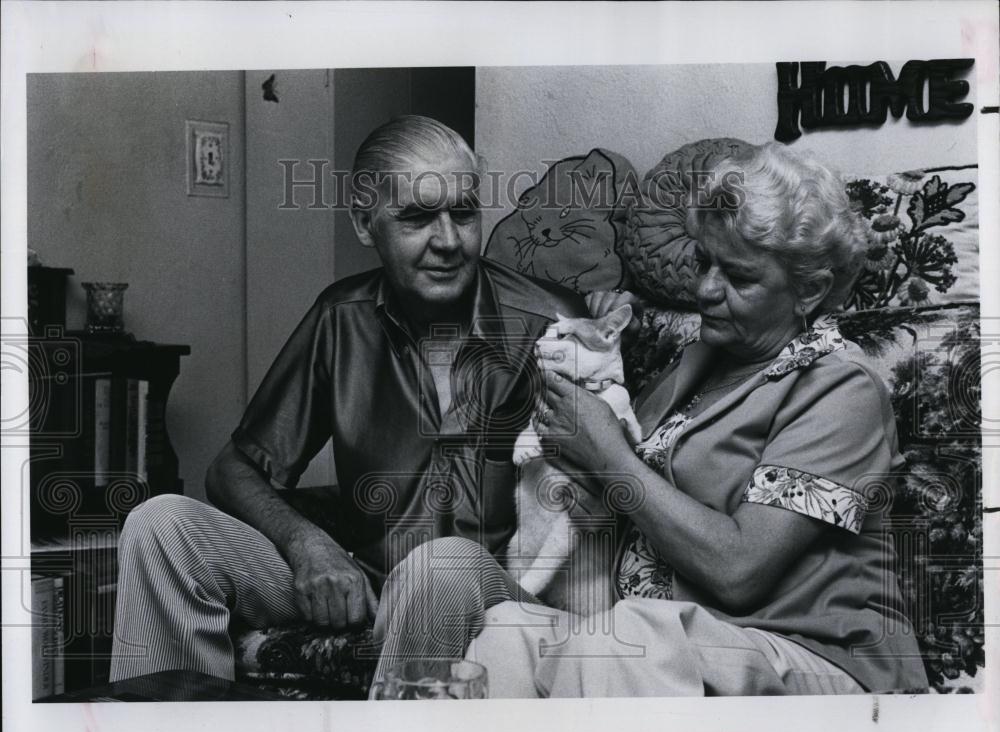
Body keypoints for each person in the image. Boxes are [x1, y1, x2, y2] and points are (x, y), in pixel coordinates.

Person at [373, 142, 929, 697]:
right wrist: (580, 483)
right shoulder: (696, 364)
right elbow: (625, 517)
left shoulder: (841, 390)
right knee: (460, 593)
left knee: (619, 638)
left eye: (738, 276)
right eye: (704, 261)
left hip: (804, 654)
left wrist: (608, 458)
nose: (706, 290)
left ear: (810, 289)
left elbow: (739, 572)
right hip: (653, 639)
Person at [109, 115, 586, 683]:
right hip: (367, 584)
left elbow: (601, 496)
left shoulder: (553, 324)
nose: (449, 241)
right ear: (366, 223)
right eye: (416, 217)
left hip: (492, 591)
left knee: (437, 569)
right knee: (159, 524)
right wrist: (307, 543)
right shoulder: (341, 318)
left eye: (463, 212)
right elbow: (233, 469)